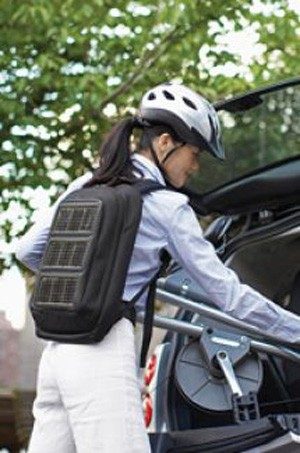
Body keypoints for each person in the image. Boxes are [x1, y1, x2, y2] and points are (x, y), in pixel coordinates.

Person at [15, 82, 300, 453]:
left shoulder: (87, 183)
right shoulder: (167, 206)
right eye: (195, 153)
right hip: (102, 350)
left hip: (57, 352)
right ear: (165, 143)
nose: (196, 166)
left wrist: (88, 281)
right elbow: (229, 297)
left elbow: (27, 250)